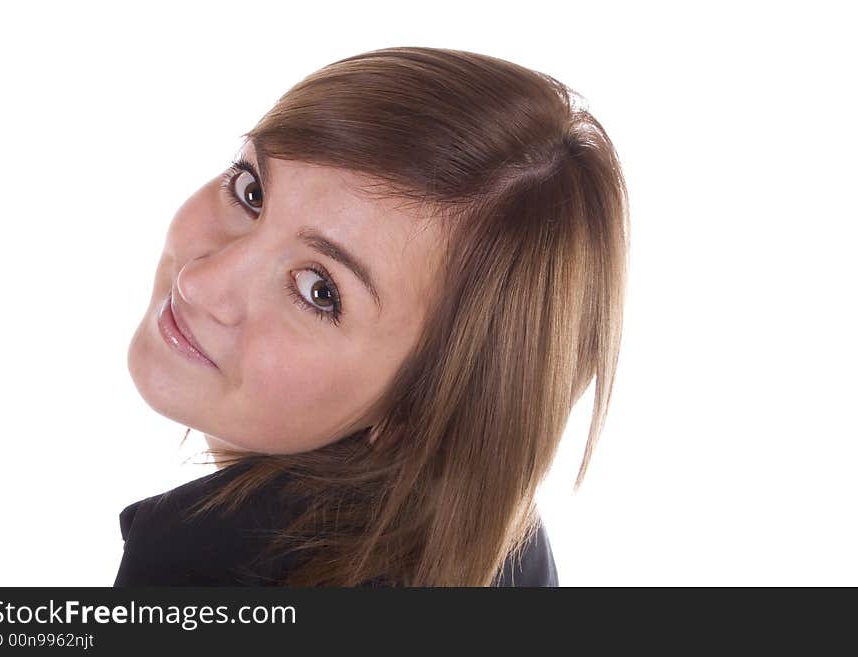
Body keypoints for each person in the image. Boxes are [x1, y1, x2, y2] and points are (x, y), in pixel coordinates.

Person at [120, 46, 629, 587]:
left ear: (420, 412)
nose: (199, 283)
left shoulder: (199, 573)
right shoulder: (502, 548)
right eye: (251, 192)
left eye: (320, 291)